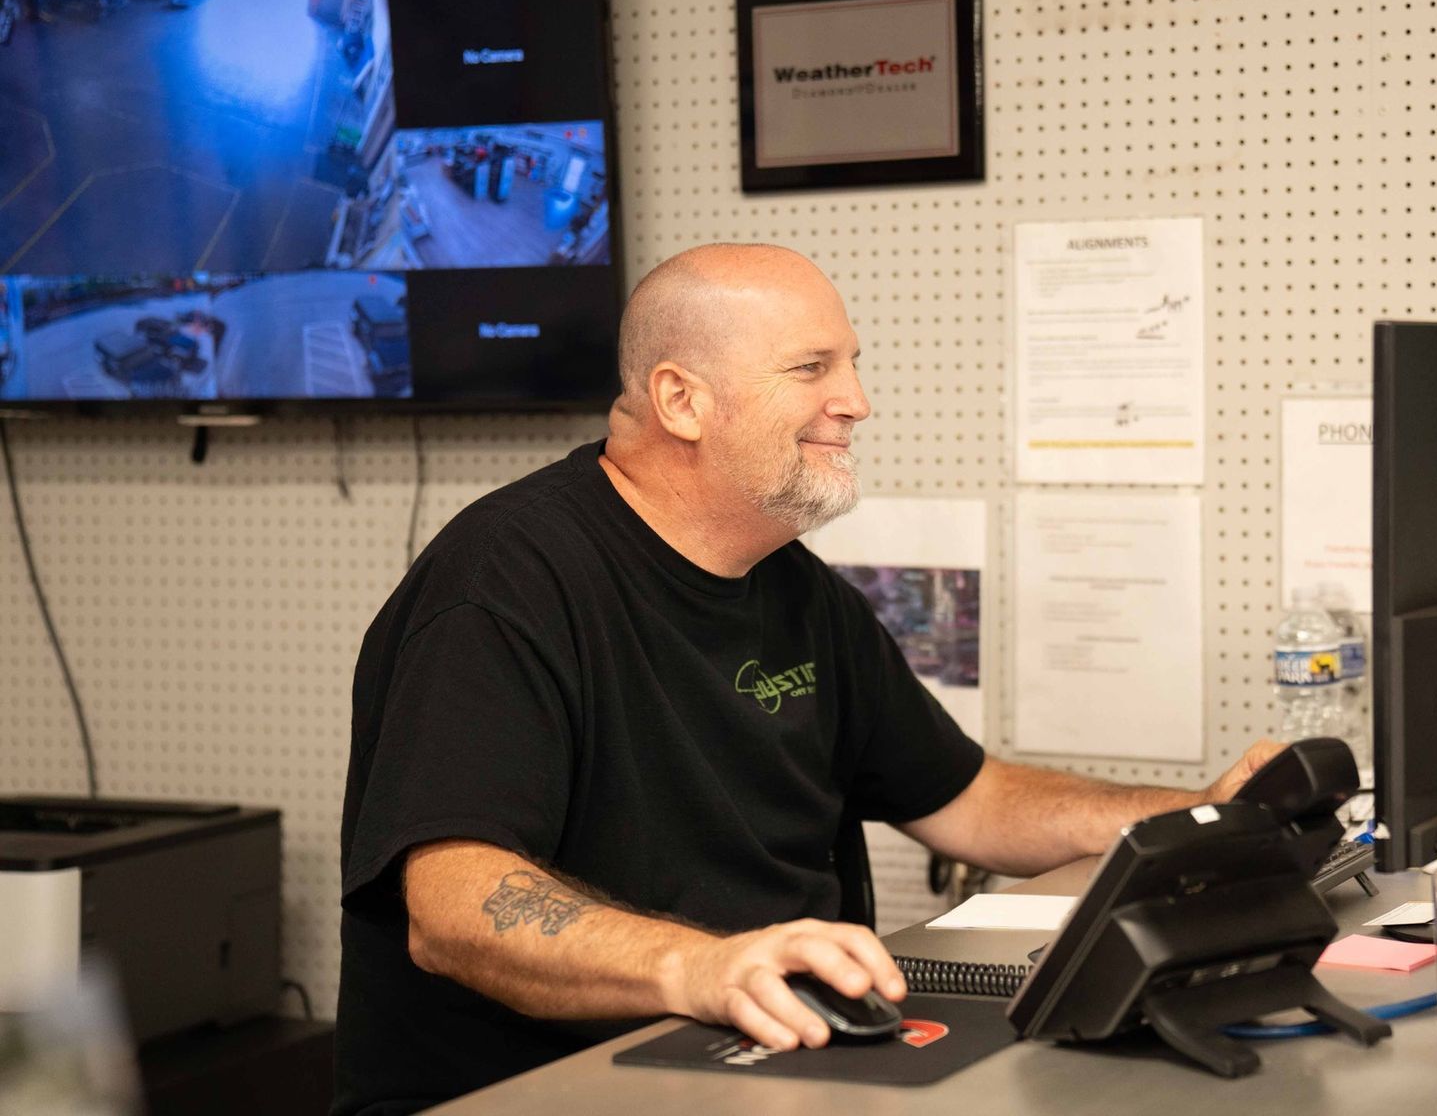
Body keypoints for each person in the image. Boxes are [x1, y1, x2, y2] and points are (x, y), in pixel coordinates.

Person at [333, 243, 1281, 1114]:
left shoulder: (795, 588)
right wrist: (704, 969)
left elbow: (971, 799)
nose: (856, 401)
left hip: (769, 1063)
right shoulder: (504, 583)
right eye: (811, 368)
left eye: (852, 364)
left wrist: (1199, 817)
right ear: (681, 400)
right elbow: (453, 909)